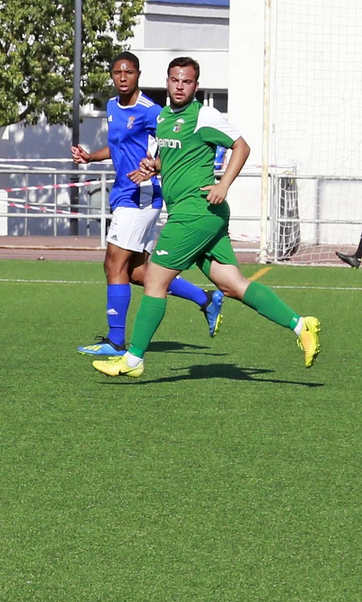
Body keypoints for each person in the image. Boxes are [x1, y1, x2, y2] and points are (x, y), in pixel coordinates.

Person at [94, 57, 319, 378]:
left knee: (155, 280)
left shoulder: (204, 115)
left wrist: (223, 184)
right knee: (233, 285)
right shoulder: (164, 118)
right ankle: (301, 326)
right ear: (167, 81)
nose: (180, 86)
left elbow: (241, 146)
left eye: (186, 81)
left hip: (194, 212)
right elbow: (170, 158)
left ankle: (132, 359)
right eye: (175, 80)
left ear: (196, 86)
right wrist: (151, 168)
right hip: (200, 216)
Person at [72, 52, 223, 357]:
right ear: (112, 76)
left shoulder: (151, 111)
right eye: (117, 72)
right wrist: (90, 156)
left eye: (128, 72)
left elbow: (178, 140)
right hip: (123, 193)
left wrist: (157, 165)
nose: (123, 77)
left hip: (141, 194)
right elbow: (118, 148)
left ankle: (116, 342)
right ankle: (206, 299)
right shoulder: (113, 107)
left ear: (138, 74)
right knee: (137, 271)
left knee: (113, 263)